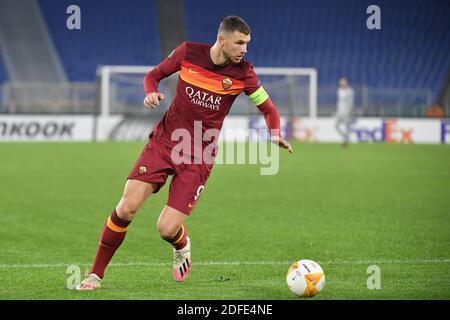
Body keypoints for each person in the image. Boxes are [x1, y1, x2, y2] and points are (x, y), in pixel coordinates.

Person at [76, 15, 293, 291]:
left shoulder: (244, 73)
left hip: (199, 157)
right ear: (222, 39)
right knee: (126, 206)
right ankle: (95, 275)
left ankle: (181, 244)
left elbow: (269, 109)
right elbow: (153, 75)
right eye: (239, 43)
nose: (244, 49)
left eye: (247, 44)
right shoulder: (188, 52)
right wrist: (150, 92)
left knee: (165, 228)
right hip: (165, 143)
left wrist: (274, 132)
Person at [334, 77, 354, 147]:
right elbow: (339, 101)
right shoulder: (339, 90)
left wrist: (350, 111)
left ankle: (346, 141)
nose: (342, 83)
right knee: (336, 126)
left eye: (343, 82)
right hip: (339, 112)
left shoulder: (350, 91)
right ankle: (346, 137)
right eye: (341, 82)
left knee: (346, 126)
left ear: (346, 82)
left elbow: (351, 102)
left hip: (346, 112)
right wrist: (336, 110)